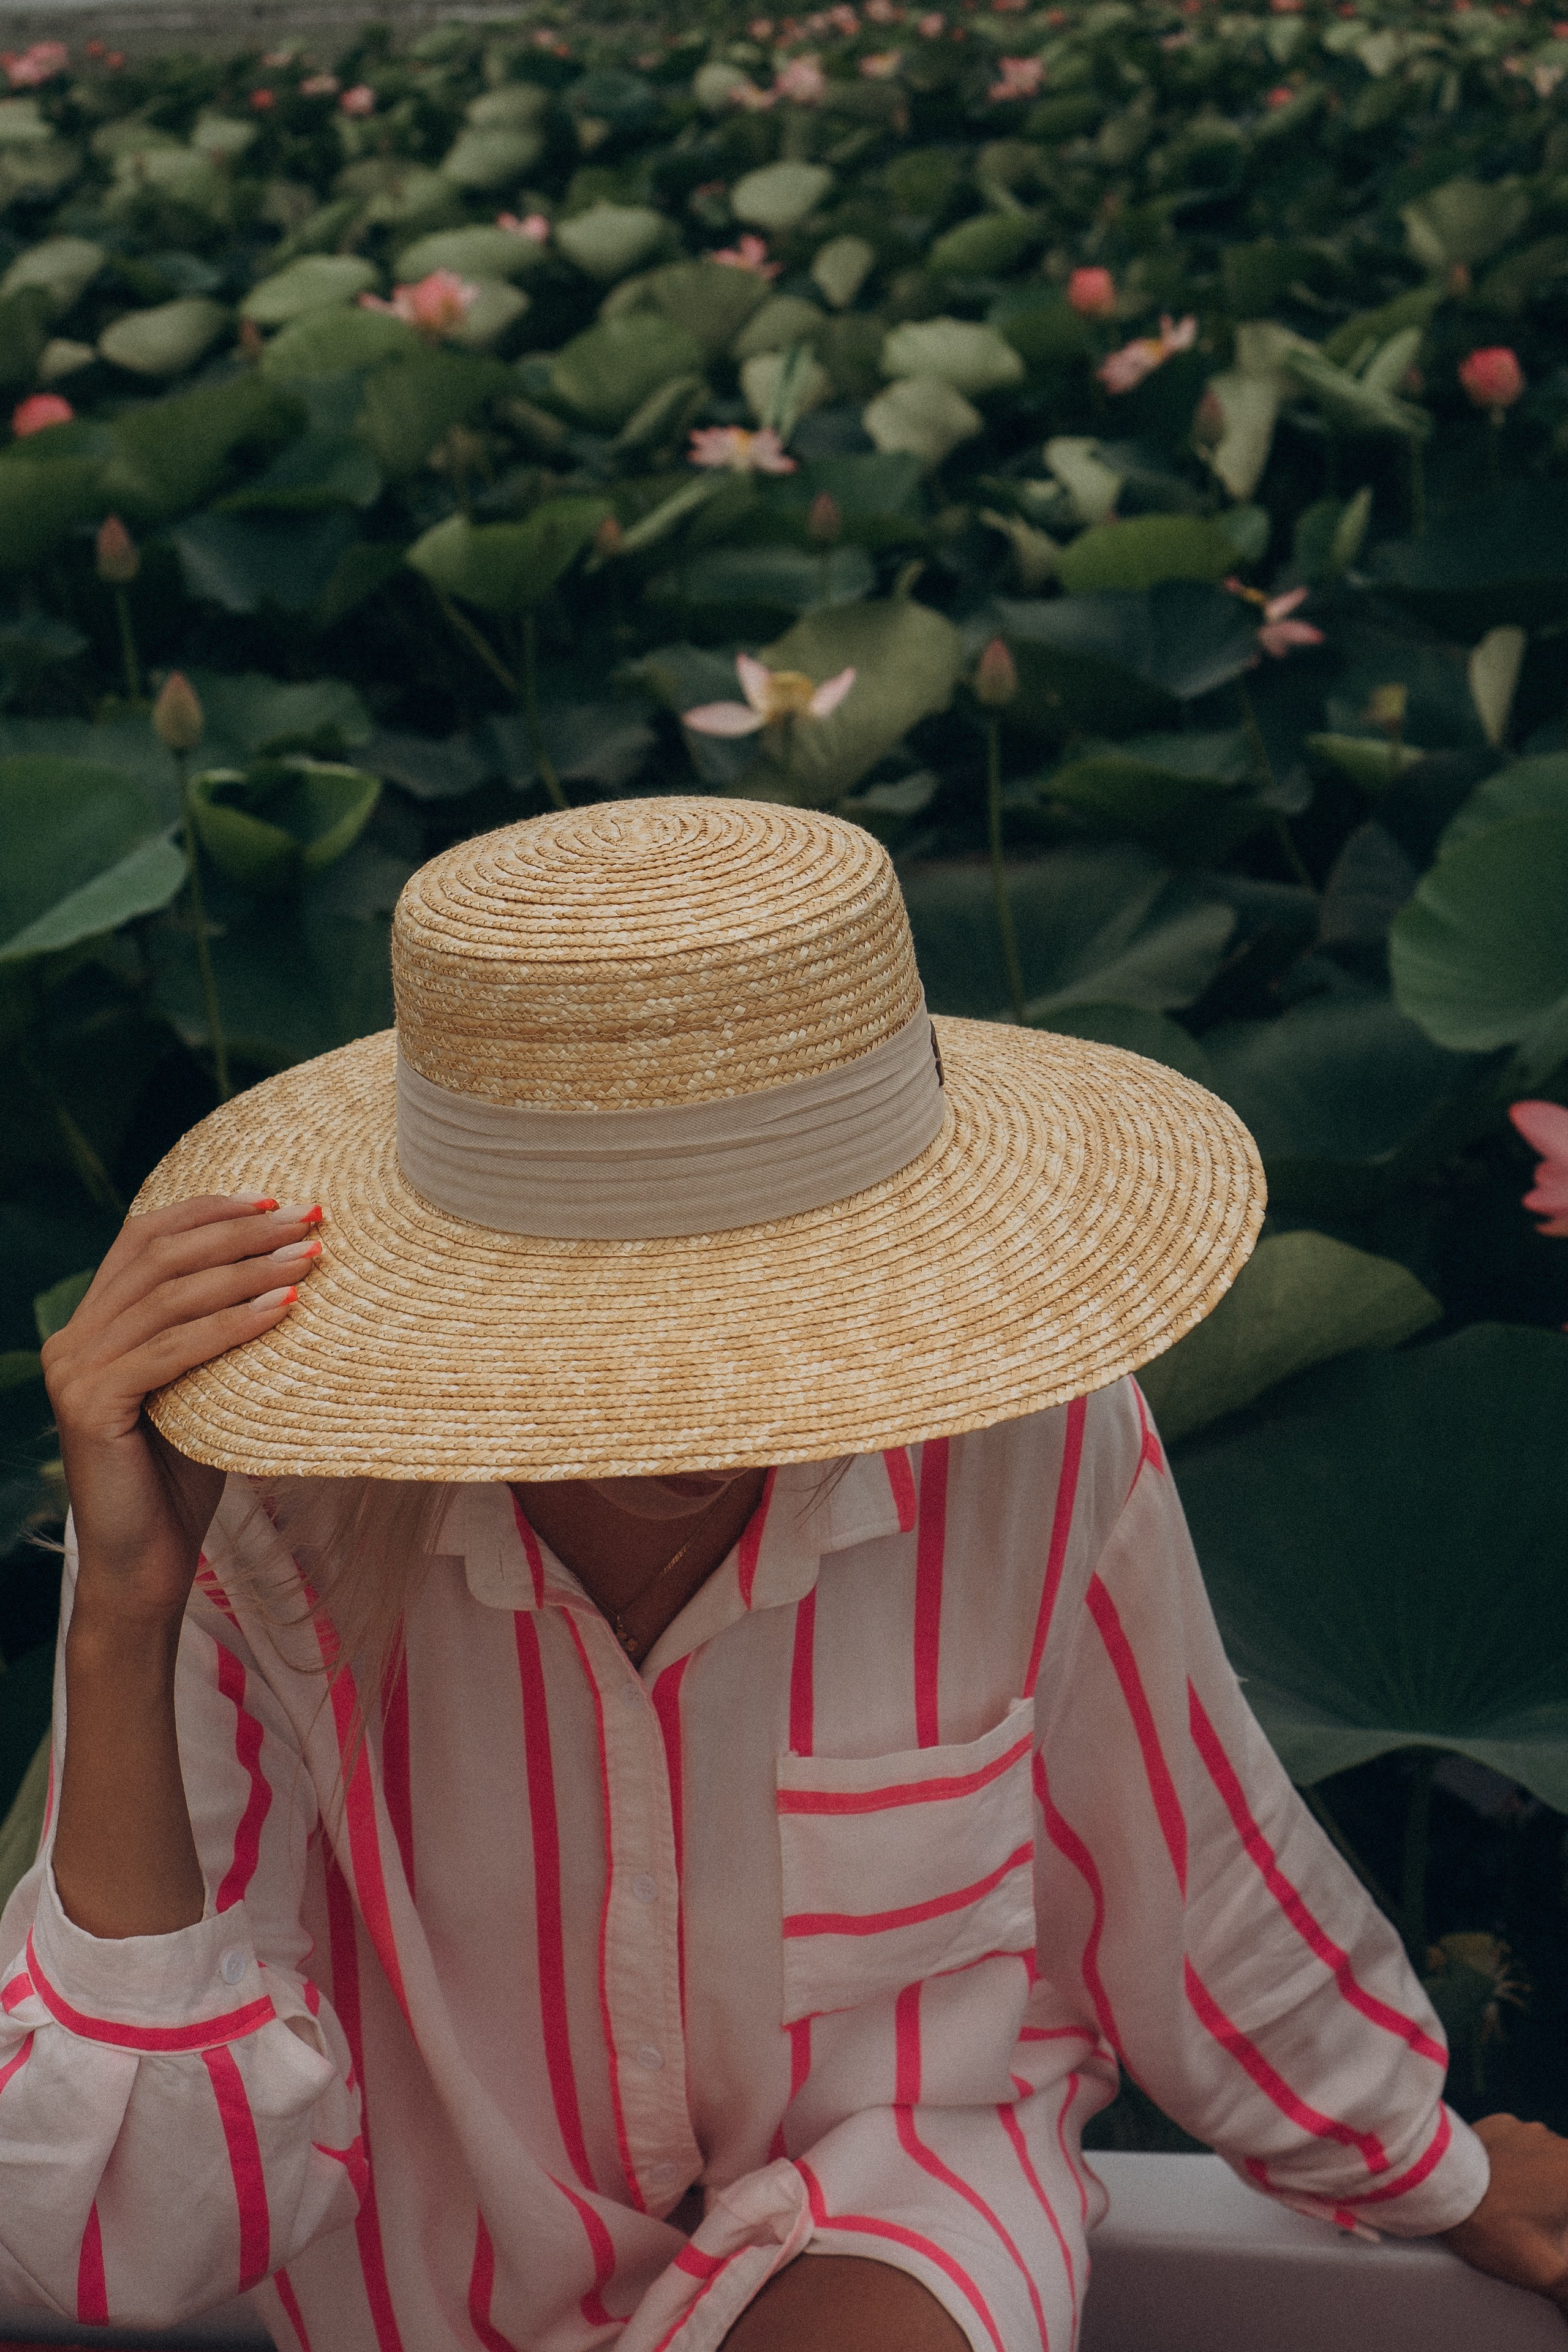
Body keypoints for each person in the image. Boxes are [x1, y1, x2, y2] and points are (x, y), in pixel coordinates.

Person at [2, 797, 1567, 2352]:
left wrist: (1416, 2160)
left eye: (760, 1290)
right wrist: (124, 1617)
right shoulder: (267, 1514)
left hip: (897, 2204)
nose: (699, 1379)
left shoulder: (1027, 1428)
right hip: (434, 2288)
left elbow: (1182, 1868)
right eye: (607, 1307)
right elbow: (128, 2245)